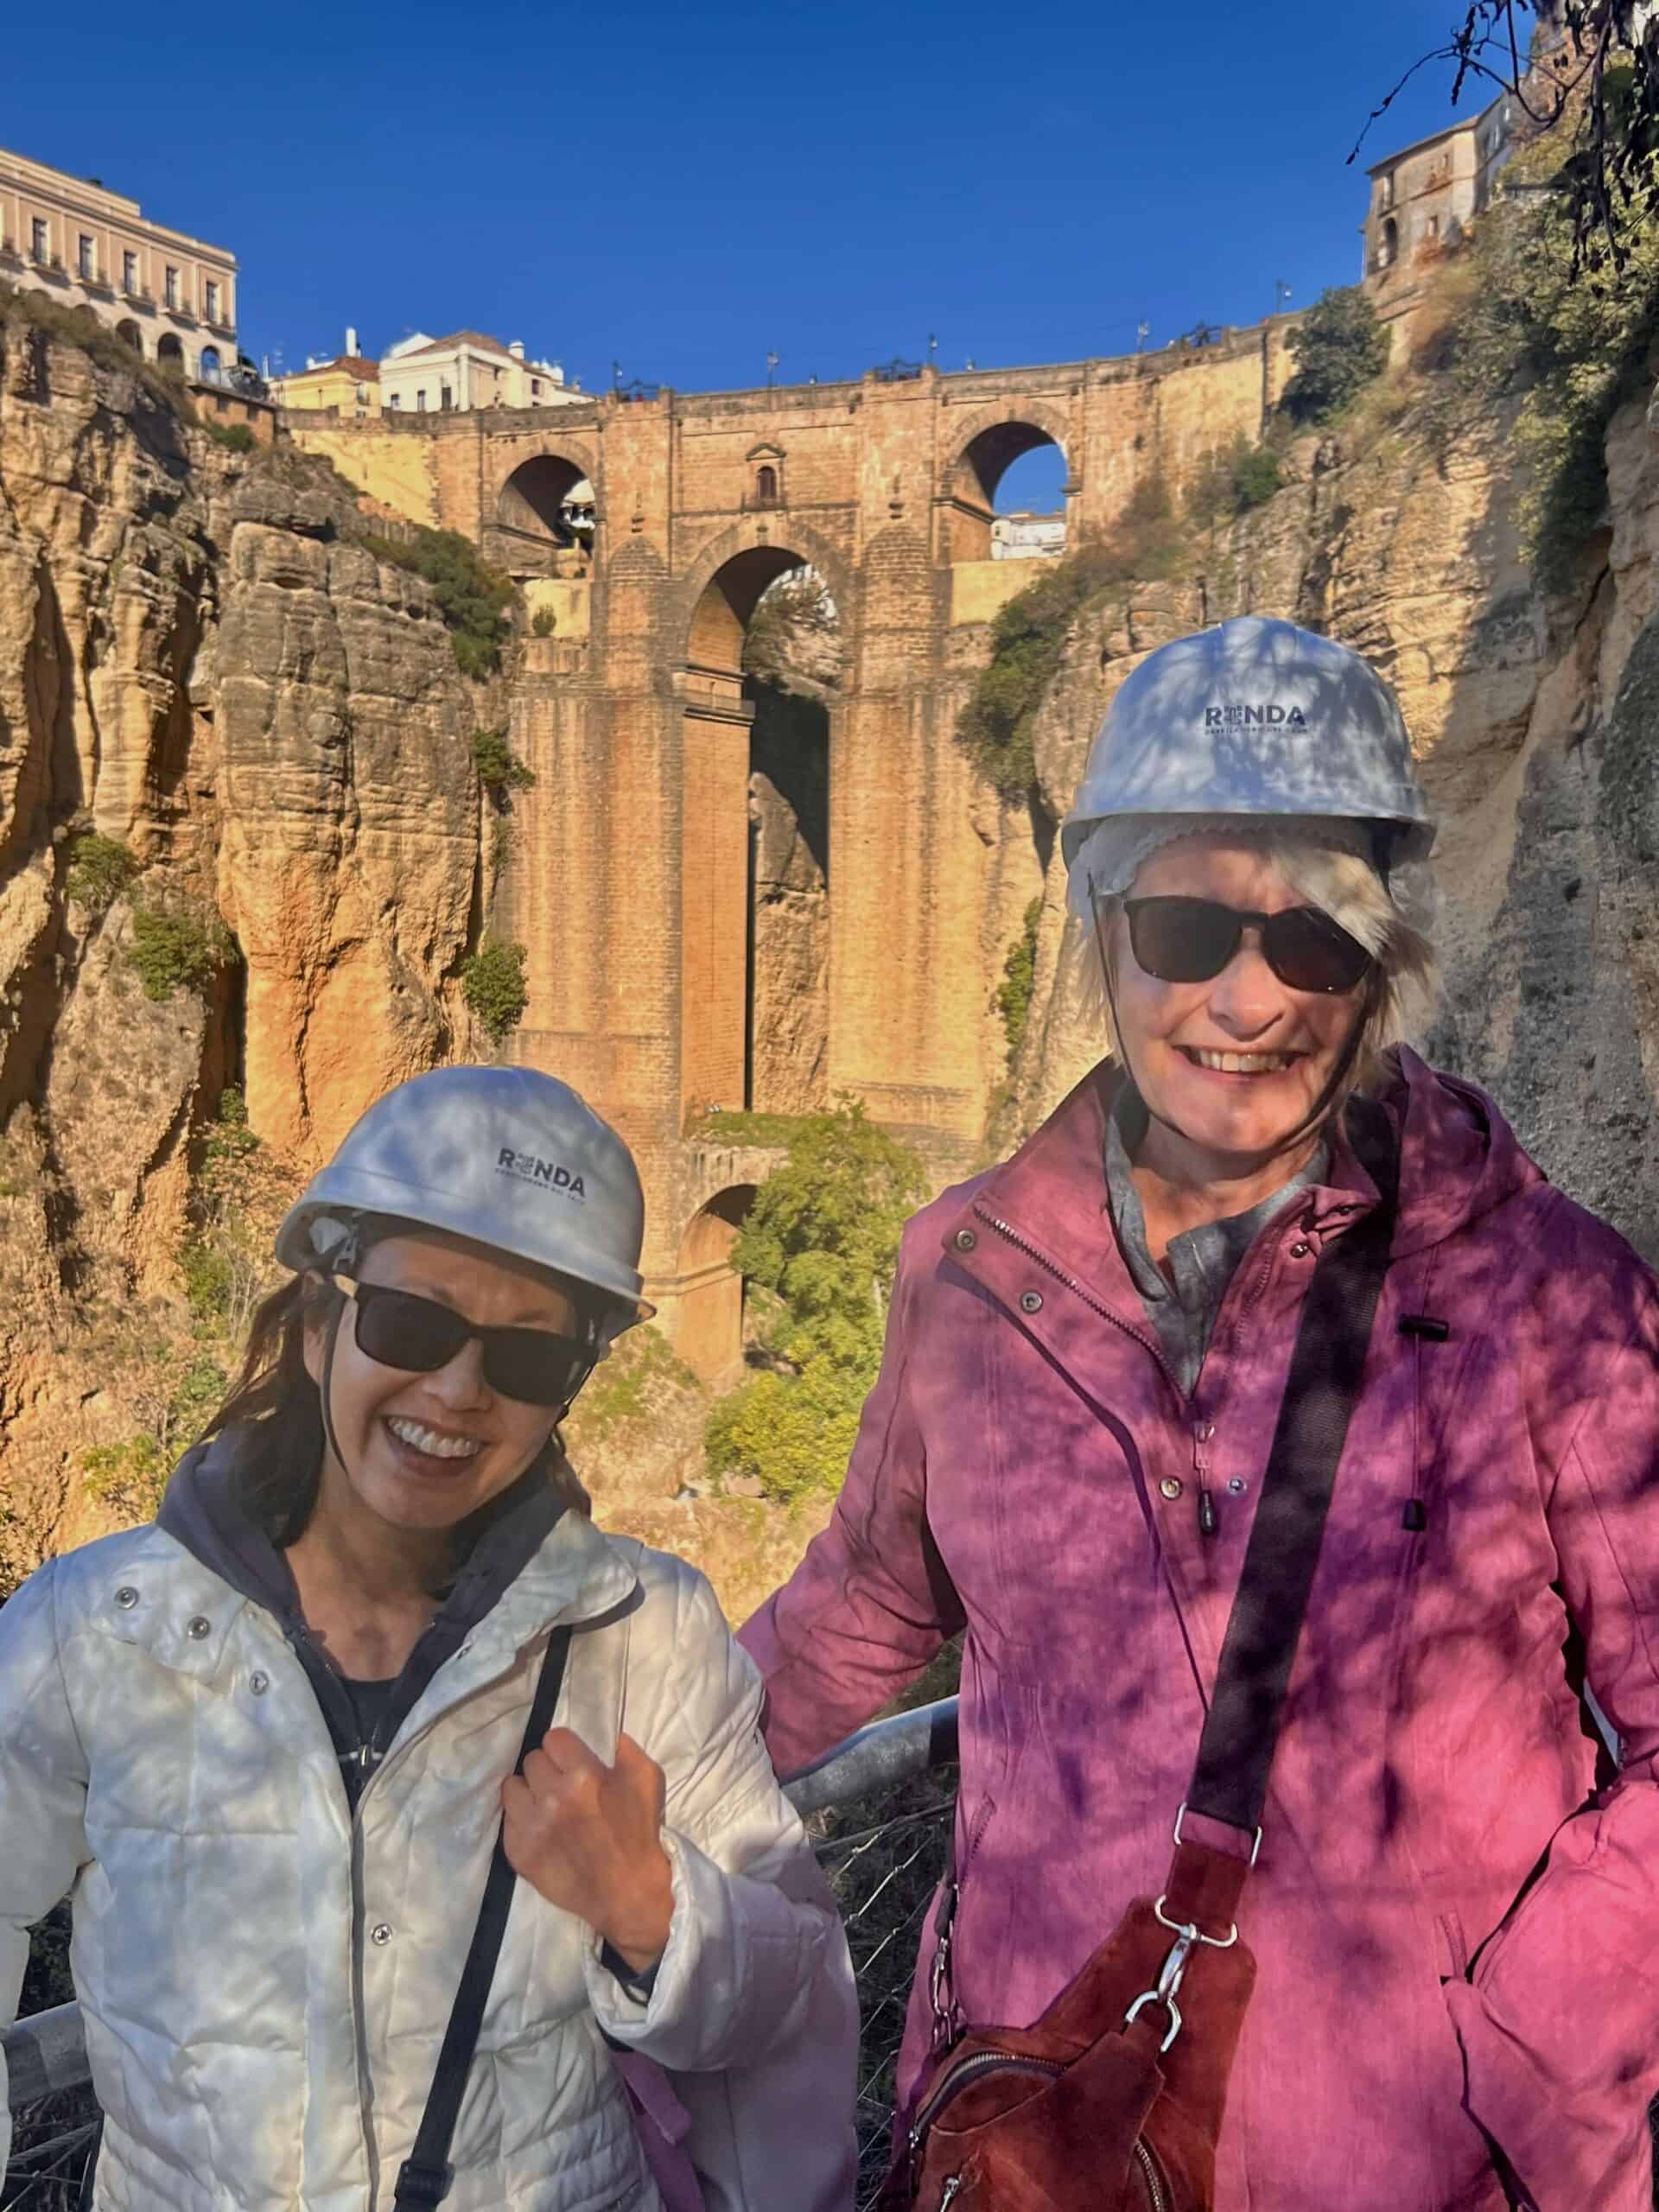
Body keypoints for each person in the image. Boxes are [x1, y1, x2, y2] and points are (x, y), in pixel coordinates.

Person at [741, 616, 1659, 2211]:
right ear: (1104, 932)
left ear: (1379, 964)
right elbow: (868, 1606)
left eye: (1310, 942)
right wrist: (604, 1756)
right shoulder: (966, 1270)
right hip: (1044, 2123)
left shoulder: (1546, 1294)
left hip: (1424, 2169)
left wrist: (1522, 2041)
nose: (1247, 1002)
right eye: (1185, 930)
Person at [0, 1065, 857, 2212]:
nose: (457, 1389)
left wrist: (654, 1912)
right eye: (412, 1321)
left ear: (570, 1388)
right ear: (320, 1326)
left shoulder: (645, 1637)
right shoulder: (88, 1635)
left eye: (527, 1358)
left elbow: (795, 2001)